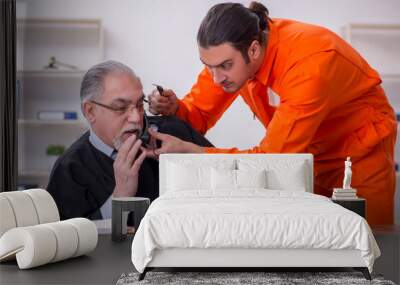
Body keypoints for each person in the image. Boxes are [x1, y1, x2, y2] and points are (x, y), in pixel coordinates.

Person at [147, 2, 397, 224]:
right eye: (209, 67)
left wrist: (194, 153)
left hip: (359, 157)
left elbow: (273, 159)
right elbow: (198, 115)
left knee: (370, 245)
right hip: (305, 154)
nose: (216, 78)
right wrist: (175, 108)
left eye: (224, 66)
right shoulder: (230, 59)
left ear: (254, 50)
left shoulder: (309, 64)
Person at [47, 60, 213, 220]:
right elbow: (69, 240)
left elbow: (232, 176)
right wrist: (120, 197)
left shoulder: (173, 133)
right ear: (90, 111)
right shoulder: (70, 170)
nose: (136, 118)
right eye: (120, 107)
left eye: (140, 105)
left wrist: (190, 157)